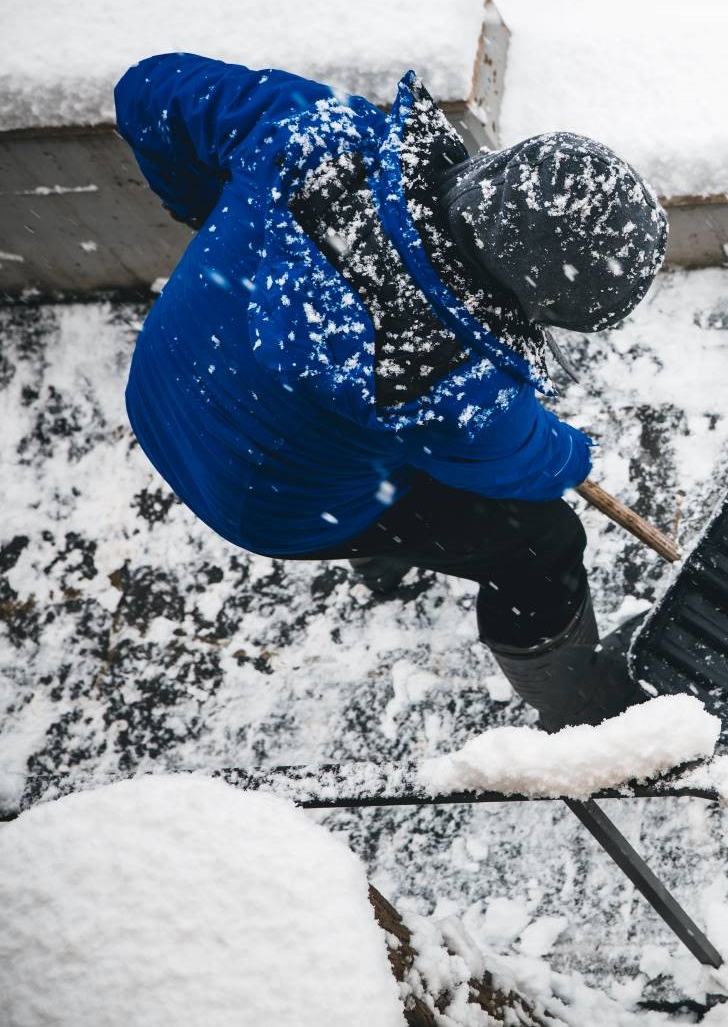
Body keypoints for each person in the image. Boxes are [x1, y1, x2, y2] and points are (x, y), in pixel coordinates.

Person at [113, 52, 667, 731]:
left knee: (377, 435)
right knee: (539, 538)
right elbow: (533, 462)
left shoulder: (315, 131)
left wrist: (211, 210)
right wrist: (573, 454)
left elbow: (148, 89)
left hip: (166, 377)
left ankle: (383, 550)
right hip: (263, 501)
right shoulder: (451, 383)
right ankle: (578, 701)